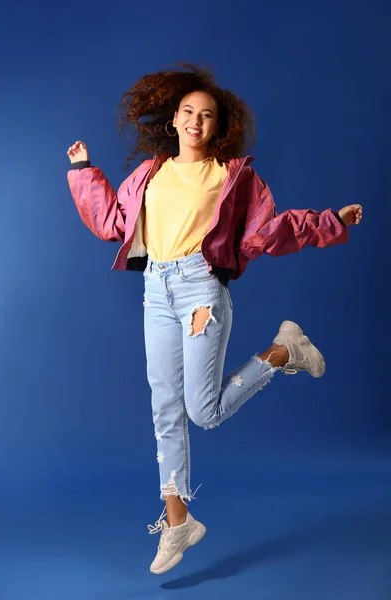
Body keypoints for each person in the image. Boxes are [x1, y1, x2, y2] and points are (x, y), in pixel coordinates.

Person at [66, 64, 362, 575]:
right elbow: (112, 220)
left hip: (202, 290)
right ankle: (178, 520)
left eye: (207, 116)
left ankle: (283, 351)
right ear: (174, 121)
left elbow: (270, 230)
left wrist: (329, 222)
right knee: (165, 408)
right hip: (155, 290)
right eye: (188, 113)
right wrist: (85, 170)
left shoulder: (232, 177)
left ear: (217, 126)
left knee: (204, 413)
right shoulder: (151, 173)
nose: (196, 122)